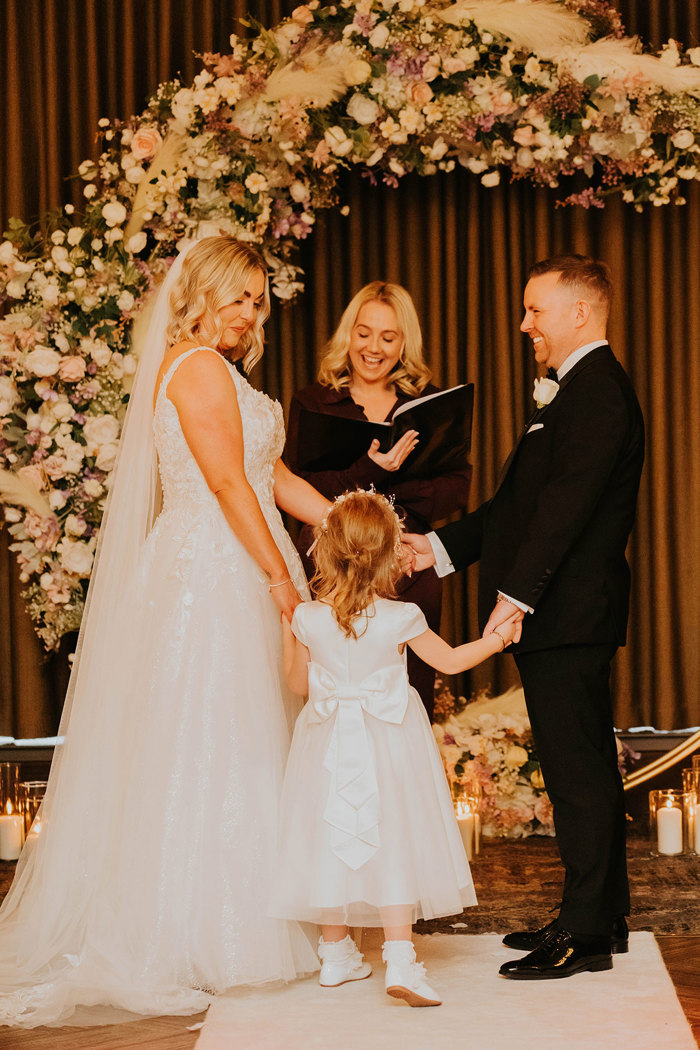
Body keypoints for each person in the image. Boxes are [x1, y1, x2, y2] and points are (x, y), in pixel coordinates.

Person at [0, 236, 331, 1028]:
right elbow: (222, 482)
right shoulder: (199, 367)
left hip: (241, 552)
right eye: (240, 296)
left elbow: (269, 476)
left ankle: (252, 918)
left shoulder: (225, 371)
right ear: (204, 292)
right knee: (215, 742)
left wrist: (353, 523)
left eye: (259, 300)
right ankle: (200, 935)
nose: (251, 313)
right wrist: (282, 579)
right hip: (216, 573)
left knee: (251, 739)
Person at [407, 255, 645, 980]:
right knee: (585, 769)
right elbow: (516, 509)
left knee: (576, 775)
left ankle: (585, 933)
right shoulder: (575, 395)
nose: (523, 324)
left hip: (567, 614)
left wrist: (515, 598)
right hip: (564, 613)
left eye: (535, 309)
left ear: (579, 312)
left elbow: (565, 511)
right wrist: (436, 548)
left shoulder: (598, 393)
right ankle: (601, 917)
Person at [268, 490, 521, 1007]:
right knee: (394, 833)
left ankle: (335, 956)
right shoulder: (402, 616)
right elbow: (450, 662)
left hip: (327, 741)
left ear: (323, 550)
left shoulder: (306, 619)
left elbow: (297, 685)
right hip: (390, 742)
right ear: (391, 556)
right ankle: (400, 957)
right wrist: (499, 640)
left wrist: (289, 638)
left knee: (329, 833)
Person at [285, 282, 472, 719]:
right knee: (330, 688)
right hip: (330, 565)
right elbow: (297, 484)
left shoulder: (428, 405)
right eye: (364, 333)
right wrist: (372, 473)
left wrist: (389, 503)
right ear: (348, 334)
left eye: (388, 337)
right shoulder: (315, 402)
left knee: (409, 692)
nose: (374, 347)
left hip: (407, 562)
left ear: (404, 343)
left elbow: (457, 487)